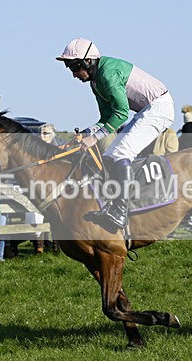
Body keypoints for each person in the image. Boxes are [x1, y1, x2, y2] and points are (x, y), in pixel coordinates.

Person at [56, 38, 175, 232]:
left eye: (75, 67)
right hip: (145, 110)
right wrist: (89, 132)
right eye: (70, 68)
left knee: (121, 153)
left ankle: (120, 211)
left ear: (88, 61)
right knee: (110, 155)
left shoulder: (107, 74)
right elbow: (106, 117)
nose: (74, 74)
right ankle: (116, 205)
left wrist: (95, 138)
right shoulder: (95, 82)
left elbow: (121, 113)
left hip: (159, 108)